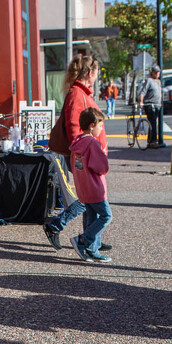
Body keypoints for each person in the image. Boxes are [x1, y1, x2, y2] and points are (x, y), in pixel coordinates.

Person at [43, 55, 109, 252]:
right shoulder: (77, 94)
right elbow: (74, 127)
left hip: (87, 155)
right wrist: (84, 154)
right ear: (90, 73)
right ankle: (58, 226)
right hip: (85, 156)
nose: (97, 77)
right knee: (91, 197)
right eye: (96, 73)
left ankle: (91, 239)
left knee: (90, 198)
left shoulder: (80, 93)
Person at [67, 107, 112, 263]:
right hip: (95, 188)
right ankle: (83, 240)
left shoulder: (77, 143)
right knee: (106, 216)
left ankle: (92, 250)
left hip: (83, 187)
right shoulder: (92, 143)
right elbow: (101, 167)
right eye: (100, 126)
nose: (101, 129)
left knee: (91, 218)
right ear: (92, 125)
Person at [137, 65, 164, 149]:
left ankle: (150, 141)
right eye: (155, 72)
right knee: (153, 123)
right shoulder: (149, 80)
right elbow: (142, 92)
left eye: (158, 72)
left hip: (157, 105)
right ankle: (153, 141)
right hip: (150, 105)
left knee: (153, 123)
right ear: (152, 72)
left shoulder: (159, 81)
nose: (157, 73)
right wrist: (141, 102)